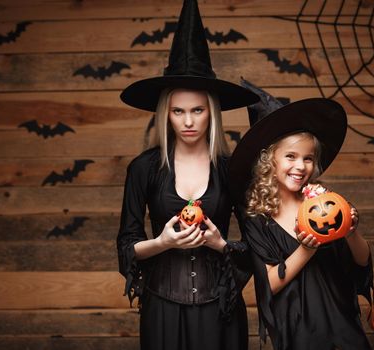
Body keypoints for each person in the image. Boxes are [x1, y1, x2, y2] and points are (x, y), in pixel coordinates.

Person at [116, 1, 259, 350]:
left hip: (221, 310)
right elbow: (126, 244)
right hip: (161, 309)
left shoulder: (232, 170)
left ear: (212, 113)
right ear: (167, 114)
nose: (189, 121)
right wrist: (163, 243)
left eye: (197, 110)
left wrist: (219, 244)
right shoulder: (144, 168)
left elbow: (256, 248)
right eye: (178, 111)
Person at [229, 80, 374, 350]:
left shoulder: (324, 203)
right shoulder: (257, 219)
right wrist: (306, 249)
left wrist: (352, 232)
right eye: (291, 156)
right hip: (297, 331)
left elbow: (361, 260)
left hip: (342, 325)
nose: (300, 166)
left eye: (308, 158)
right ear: (269, 160)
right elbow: (268, 284)